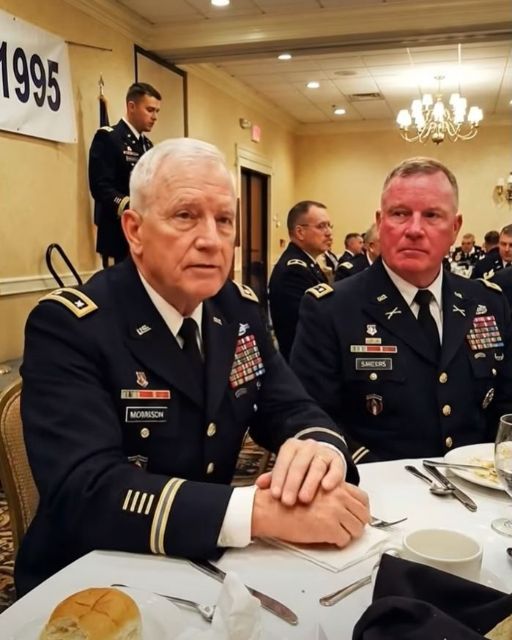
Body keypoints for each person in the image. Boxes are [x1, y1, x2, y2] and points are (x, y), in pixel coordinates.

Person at [17, 139, 369, 595]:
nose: (210, 239)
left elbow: (291, 407)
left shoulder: (237, 309)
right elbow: (86, 491)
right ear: (134, 230)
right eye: (185, 215)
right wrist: (256, 512)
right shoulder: (71, 325)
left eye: (224, 220)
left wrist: (319, 451)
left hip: (204, 565)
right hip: (92, 577)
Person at [291, 157, 512, 462]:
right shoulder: (331, 309)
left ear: (455, 227)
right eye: (400, 214)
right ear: (380, 223)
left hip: (477, 482)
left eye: (432, 215)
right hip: (375, 484)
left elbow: (505, 405)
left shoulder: (487, 303)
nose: (415, 229)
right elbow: (312, 417)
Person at [89, 82, 161, 268]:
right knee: (119, 285)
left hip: (144, 235)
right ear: (131, 106)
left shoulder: (148, 146)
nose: (154, 117)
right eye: (150, 110)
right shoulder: (109, 138)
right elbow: (100, 186)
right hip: (117, 234)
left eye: (157, 111)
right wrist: (129, 205)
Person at [268, 200, 334, 360]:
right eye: (321, 226)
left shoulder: (309, 264)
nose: (329, 233)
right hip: (304, 361)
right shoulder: (294, 271)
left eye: (329, 226)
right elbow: (306, 325)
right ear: (300, 232)